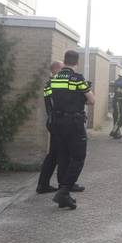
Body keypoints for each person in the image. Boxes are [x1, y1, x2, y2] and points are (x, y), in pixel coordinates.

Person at [44, 50, 95, 210]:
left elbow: (49, 97)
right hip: (74, 123)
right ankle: (64, 191)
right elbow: (91, 100)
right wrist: (79, 99)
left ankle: (63, 190)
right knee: (78, 157)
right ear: (76, 62)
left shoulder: (53, 80)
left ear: (64, 61)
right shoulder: (77, 79)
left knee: (63, 156)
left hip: (57, 123)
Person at [36, 61, 67, 193]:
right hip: (57, 123)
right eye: (62, 69)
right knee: (60, 154)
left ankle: (43, 185)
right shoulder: (53, 84)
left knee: (53, 155)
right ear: (56, 70)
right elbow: (56, 104)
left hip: (54, 122)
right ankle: (63, 185)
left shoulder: (51, 84)